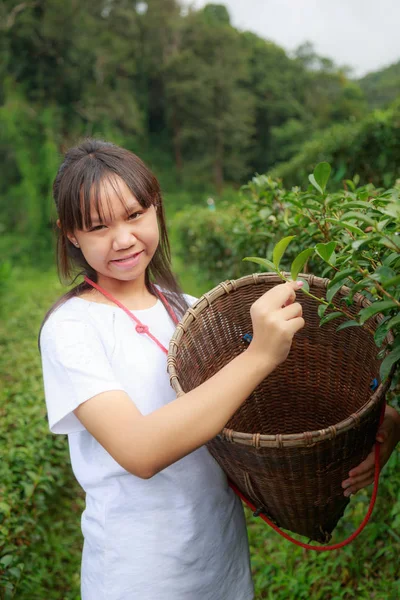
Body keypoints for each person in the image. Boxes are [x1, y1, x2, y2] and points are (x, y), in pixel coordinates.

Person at [39, 139, 399, 600]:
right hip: (140, 575)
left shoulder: (188, 312)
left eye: (134, 215)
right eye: (97, 226)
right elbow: (139, 450)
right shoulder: (72, 329)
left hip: (221, 563)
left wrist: (382, 424)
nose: (123, 238)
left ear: (156, 208)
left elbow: (274, 394)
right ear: (70, 234)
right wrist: (259, 354)